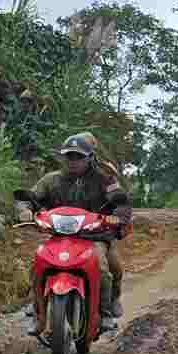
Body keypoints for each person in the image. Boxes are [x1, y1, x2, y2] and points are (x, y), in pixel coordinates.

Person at [26, 132, 132, 331]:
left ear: (90, 157)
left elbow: (121, 201)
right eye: (69, 156)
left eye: (79, 156)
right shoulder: (51, 180)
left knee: (104, 268)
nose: (73, 161)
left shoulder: (105, 179)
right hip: (59, 236)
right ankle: (37, 308)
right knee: (37, 263)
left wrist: (118, 217)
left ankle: (106, 311)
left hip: (95, 236)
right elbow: (31, 198)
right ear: (63, 157)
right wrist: (25, 210)